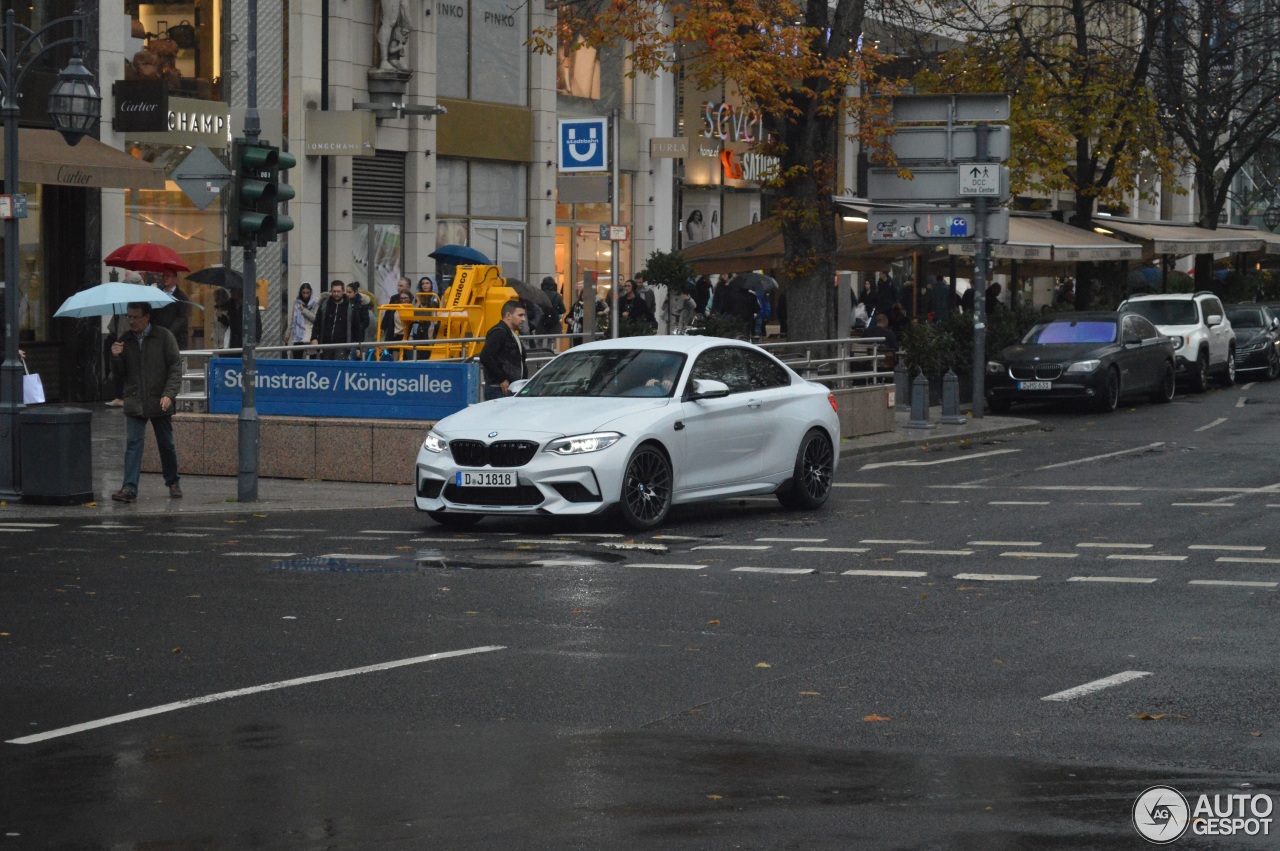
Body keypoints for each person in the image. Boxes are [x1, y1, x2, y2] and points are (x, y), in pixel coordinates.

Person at [109, 302, 183, 502]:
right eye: (129, 317)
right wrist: (115, 357)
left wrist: (169, 394)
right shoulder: (124, 341)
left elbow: (176, 367)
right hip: (135, 400)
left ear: (147, 317)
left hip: (159, 399)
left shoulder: (164, 337)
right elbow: (119, 376)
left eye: (136, 317)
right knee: (133, 444)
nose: (131, 321)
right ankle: (129, 488)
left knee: (166, 444)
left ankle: (173, 481)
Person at [479, 299, 527, 400]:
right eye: (520, 315)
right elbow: (485, 356)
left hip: (510, 388)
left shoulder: (511, 333)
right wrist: (501, 379)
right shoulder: (499, 332)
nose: (523, 319)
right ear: (508, 315)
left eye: (524, 315)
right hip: (499, 389)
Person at [312, 280, 356, 359]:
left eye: (338, 291)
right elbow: (317, 323)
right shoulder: (325, 305)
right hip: (326, 345)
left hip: (342, 346)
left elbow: (356, 326)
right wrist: (314, 337)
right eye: (334, 291)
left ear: (343, 291)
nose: (336, 294)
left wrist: (358, 347)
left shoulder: (350, 307)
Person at [150, 271, 190, 350]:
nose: (165, 278)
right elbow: (153, 314)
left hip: (177, 339)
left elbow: (182, 318)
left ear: (175, 279)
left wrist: (169, 332)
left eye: (168, 276)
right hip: (159, 337)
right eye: (164, 275)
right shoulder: (157, 294)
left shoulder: (181, 297)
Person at [290, 282, 317, 358]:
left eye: (307, 293)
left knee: (312, 358)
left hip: (311, 333)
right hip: (298, 335)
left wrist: (304, 310)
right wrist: (287, 334)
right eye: (303, 293)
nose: (305, 295)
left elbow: (315, 319)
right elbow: (293, 319)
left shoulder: (315, 302)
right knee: (297, 358)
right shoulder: (297, 302)